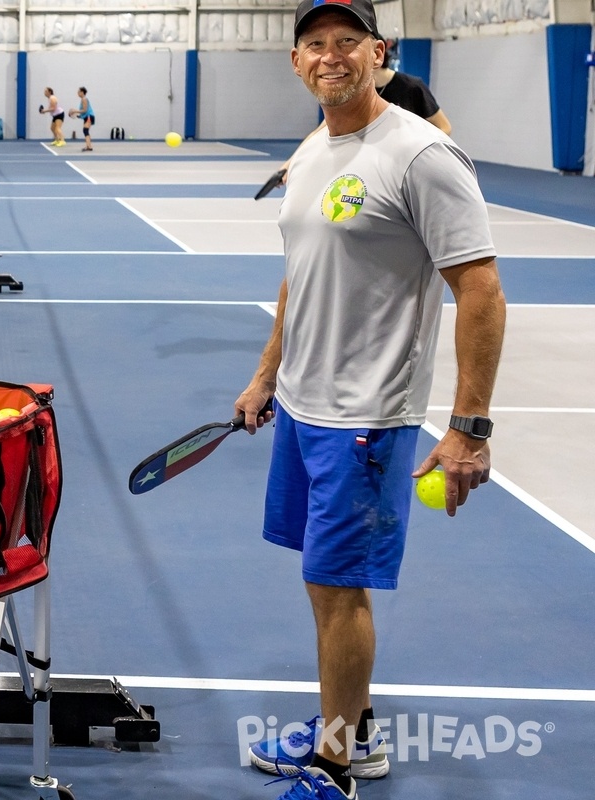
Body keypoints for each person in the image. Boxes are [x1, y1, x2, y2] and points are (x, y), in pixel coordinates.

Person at [234, 0, 506, 798]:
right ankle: (344, 725)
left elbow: (481, 290)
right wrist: (265, 376)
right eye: (314, 44)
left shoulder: (422, 154)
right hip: (304, 408)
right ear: (295, 61)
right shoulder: (315, 146)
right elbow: (299, 274)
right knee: (324, 582)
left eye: (348, 41)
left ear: (379, 52)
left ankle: (337, 765)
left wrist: (468, 430)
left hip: (367, 419)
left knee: (341, 585)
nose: (331, 55)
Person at [276, 38, 451, 184]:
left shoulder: (412, 87)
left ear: (376, 55)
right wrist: (290, 164)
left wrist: (415, 156)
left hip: (405, 171)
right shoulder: (355, 93)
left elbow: (444, 128)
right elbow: (319, 131)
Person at [68, 87, 95, 151]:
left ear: (82, 92)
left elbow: (85, 110)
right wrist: (79, 116)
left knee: (85, 130)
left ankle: (88, 146)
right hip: (86, 117)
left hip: (89, 116)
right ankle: (89, 146)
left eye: (79, 92)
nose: (78, 93)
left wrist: (75, 111)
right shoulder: (82, 99)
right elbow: (84, 111)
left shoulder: (84, 99)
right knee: (86, 131)